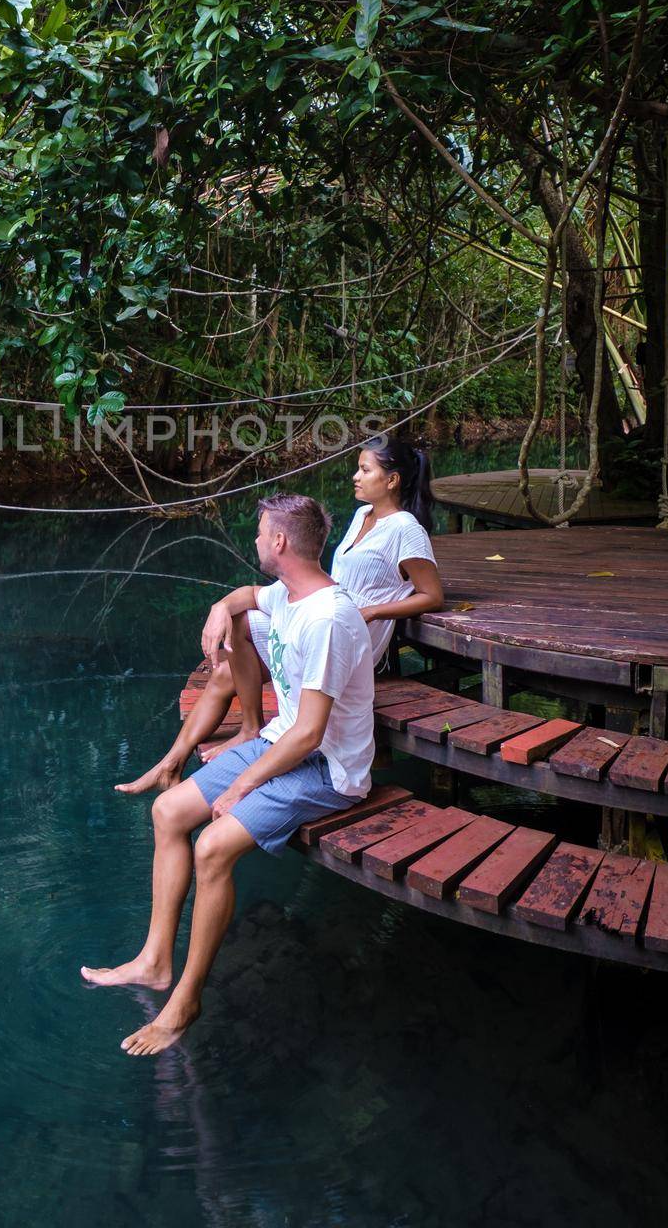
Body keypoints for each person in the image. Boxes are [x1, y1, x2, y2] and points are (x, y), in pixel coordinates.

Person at [81, 493, 376, 1055]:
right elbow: (247, 595)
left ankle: (185, 1002)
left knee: (212, 847)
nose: (257, 541)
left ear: (282, 543)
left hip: (327, 769)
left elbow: (311, 733)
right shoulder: (290, 594)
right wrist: (223, 606)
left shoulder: (329, 619)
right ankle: (154, 962)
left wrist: (243, 786)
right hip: (279, 743)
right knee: (168, 812)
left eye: (263, 534)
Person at [116, 436, 444, 796]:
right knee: (230, 658)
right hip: (323, 615)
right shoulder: (362, 515)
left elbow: (431, 595)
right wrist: (221, 607)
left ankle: (232, 738)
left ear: (392, 480)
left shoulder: (405, 529)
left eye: (365, 470)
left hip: (348, 634)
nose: (355, 476)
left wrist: (373, 611)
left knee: (232, 662)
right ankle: (175, 762)